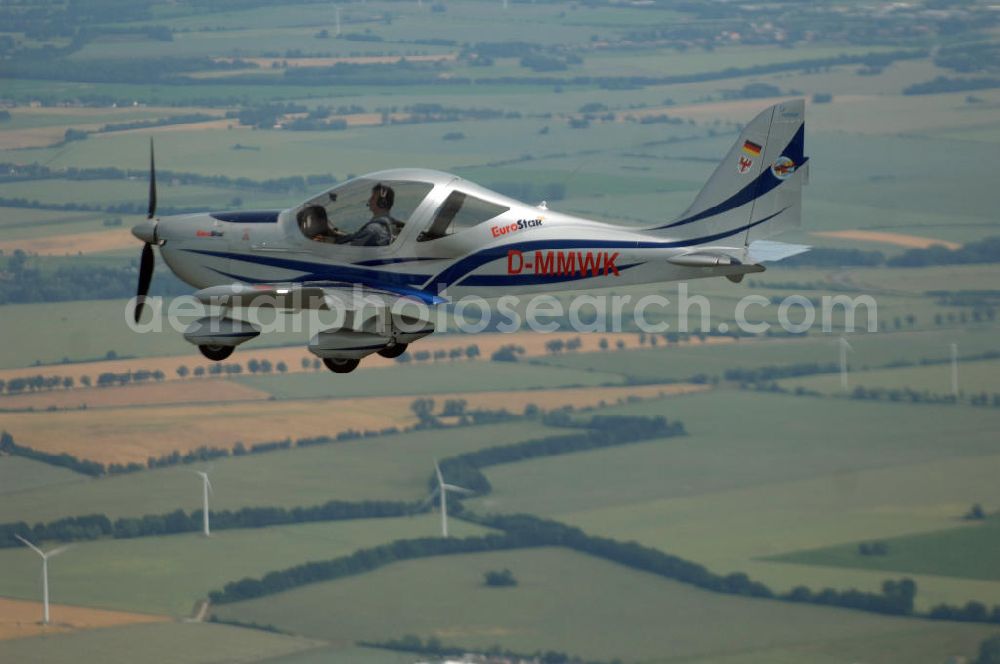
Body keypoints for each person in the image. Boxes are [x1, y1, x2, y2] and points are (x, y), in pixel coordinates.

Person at [333, 183, 400, 247]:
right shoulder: (392, 224)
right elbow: (358, 237)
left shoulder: (373, 230)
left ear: (382, 202)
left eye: (373, 197)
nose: (369, 200)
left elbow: (347, 250)